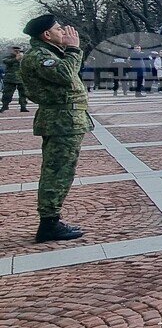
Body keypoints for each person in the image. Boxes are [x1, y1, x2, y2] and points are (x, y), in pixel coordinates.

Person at [19, 15, 93, 242]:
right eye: (59, 29)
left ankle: (52, 220)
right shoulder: (40, 56)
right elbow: (64, 75)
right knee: (57, 172)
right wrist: (73, 49)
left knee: (61, 171)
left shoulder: (49, 53)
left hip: (66, 118)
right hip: (61, 120)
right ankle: (49, 223)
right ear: (46, 35)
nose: (65, 32)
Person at [1, 46, 28, 112]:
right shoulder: (8, 57)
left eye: (18, 51)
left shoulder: (24, 58)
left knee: (23, 94)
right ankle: (5, 105)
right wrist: (16, 59)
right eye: (15, 51)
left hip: (21, 78)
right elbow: (6, 61)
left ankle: (23, 106)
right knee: (7, 94)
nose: (17, 52)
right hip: (10, 79)